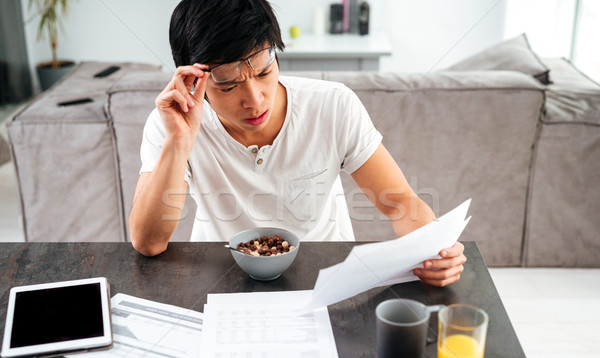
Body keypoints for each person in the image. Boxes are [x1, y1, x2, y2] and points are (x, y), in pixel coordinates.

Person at [129, 0, 466, 287]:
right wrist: (179, 141)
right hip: (223, 279)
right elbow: (148, 243)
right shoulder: (172, 124)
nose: (255, 99)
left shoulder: (333, 106)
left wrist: (435, 249)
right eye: (229, 86)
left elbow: (399, 203)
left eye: (263, 72)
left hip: (324, 278)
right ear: (191, 81)